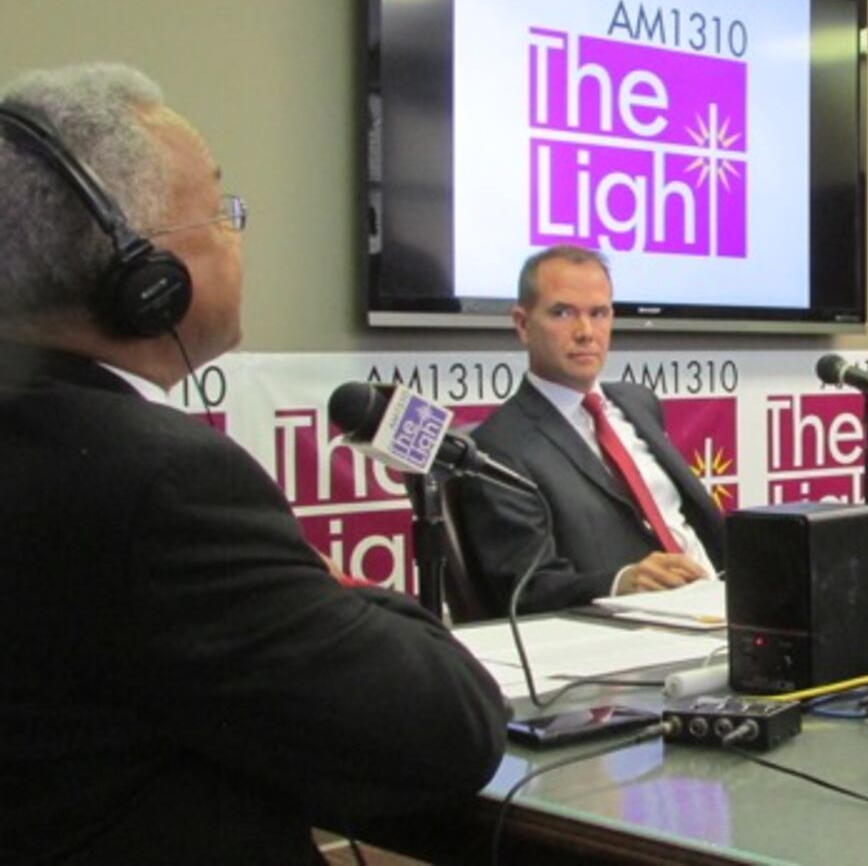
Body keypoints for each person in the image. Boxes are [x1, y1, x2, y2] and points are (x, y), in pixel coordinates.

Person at [0, 63, 506, 864]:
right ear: (145, 274)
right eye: (221, 211)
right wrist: (334, 588)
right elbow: (449, 732)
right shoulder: (164, 488)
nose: (238, 235)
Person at [457, 245, 725, 615]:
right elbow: (527, 588)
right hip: (640, 624)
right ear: (522, 324)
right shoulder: (498, 447)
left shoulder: (638, 403)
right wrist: (621, 582)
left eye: (598, 313)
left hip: (723, 598)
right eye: (562, 313)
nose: (586, 332)